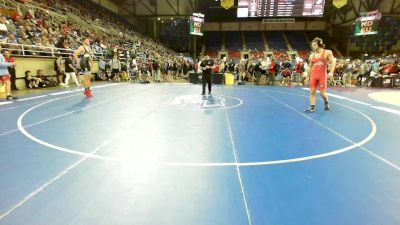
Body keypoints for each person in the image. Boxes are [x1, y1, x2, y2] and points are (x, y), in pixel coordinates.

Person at [305, 37, 336, 113]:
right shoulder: (312, 55)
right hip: (313, 76)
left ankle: (326, 102)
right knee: (312, 91)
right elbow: (310, 67)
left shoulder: (327, 52)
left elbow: (333, 62)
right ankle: (312, 107)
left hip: (322, 75)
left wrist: (331, 72)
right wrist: (307, 77)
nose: (313, 46)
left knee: (322, 93)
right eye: (312, 45)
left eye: (314, 45)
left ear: (319, 44)